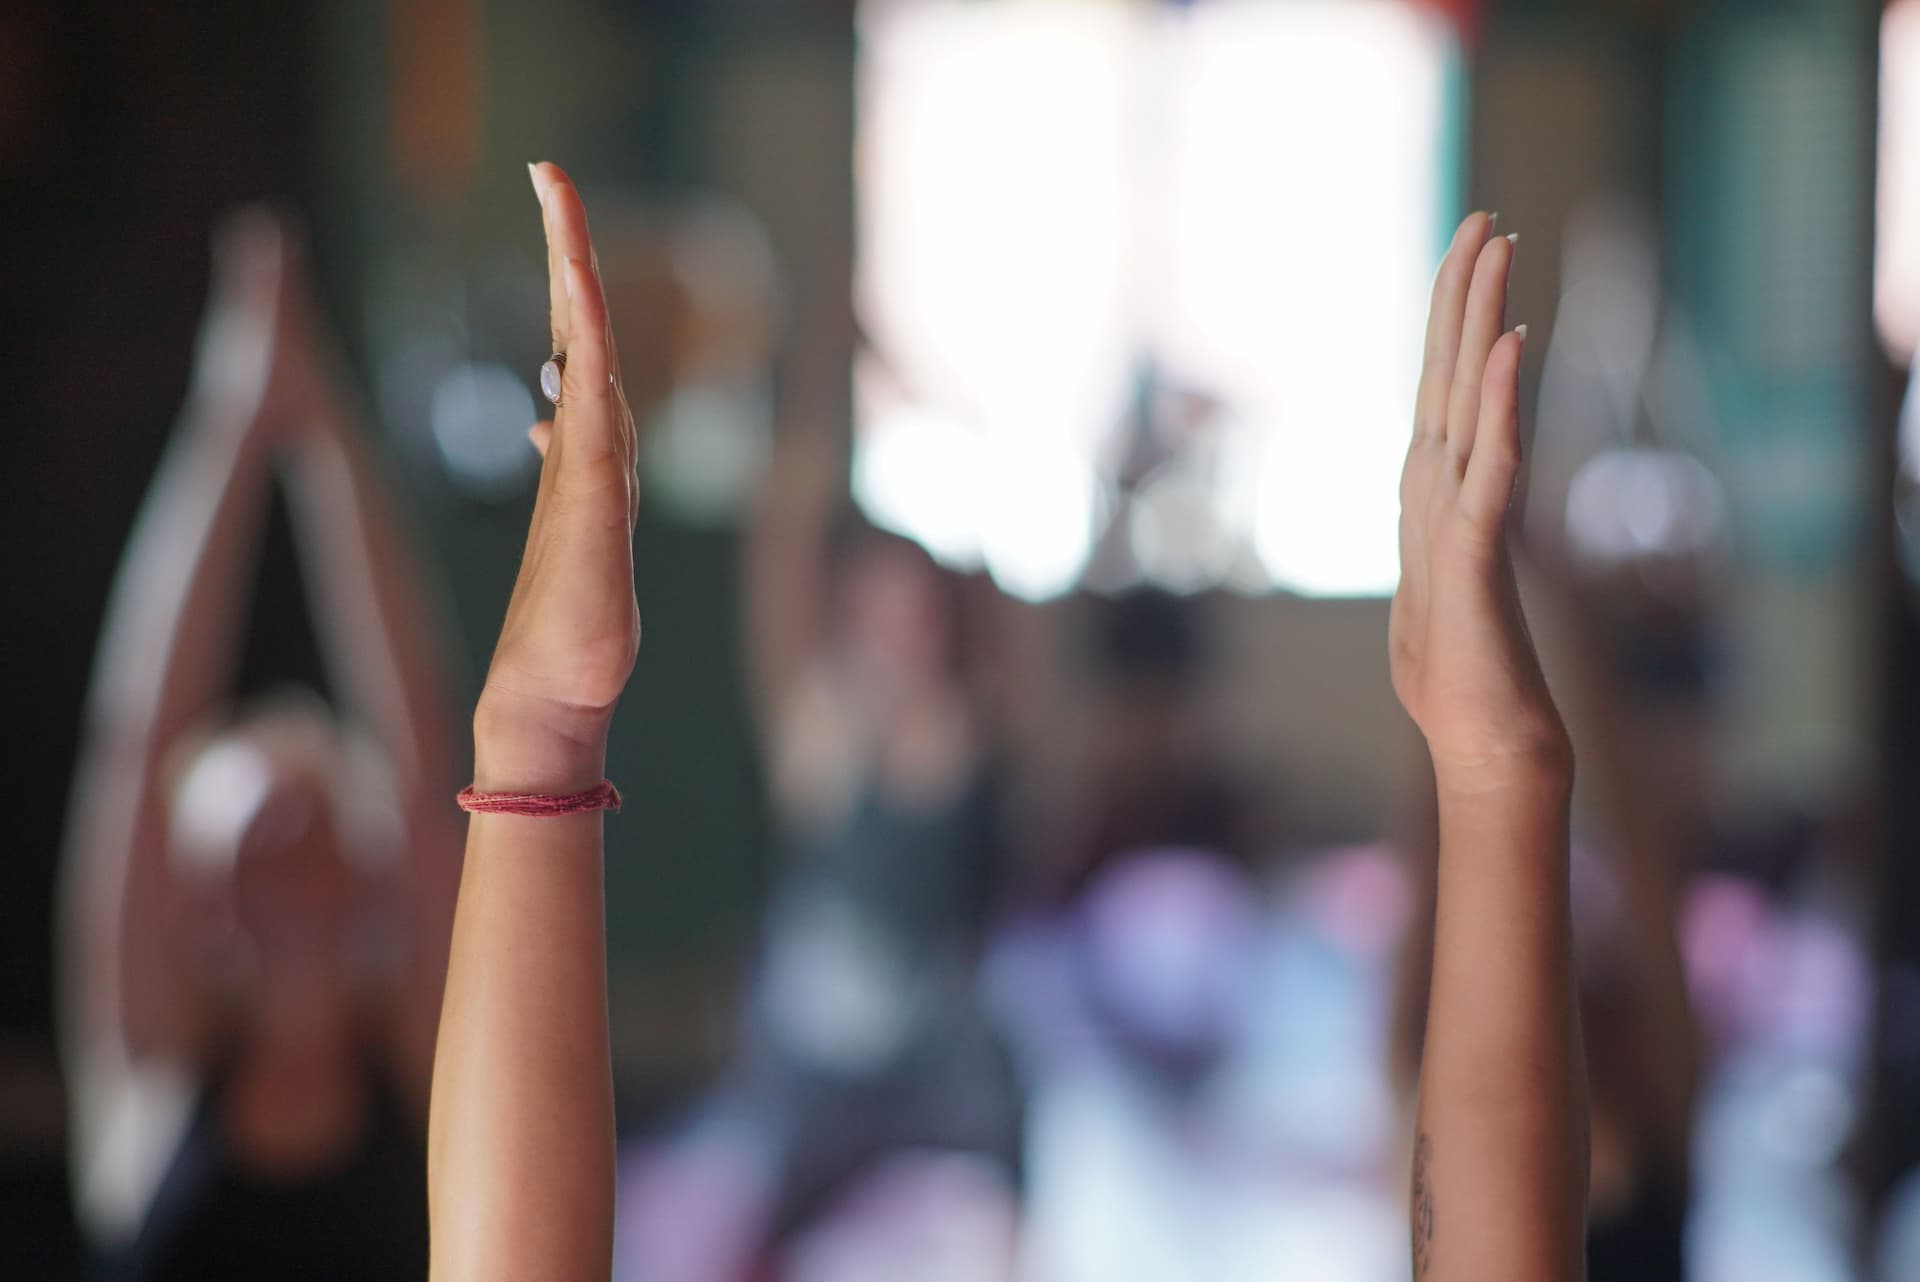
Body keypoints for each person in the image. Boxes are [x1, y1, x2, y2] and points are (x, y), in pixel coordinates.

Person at [427, 185, 1587, 1281]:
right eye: (881, 600)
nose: (905, 618)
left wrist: (965, 421)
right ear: (855, 617)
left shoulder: (989, 728)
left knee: (1013, 1175)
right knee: (728, 1211)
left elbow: (1002, 582)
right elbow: (787, 544)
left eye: (922, 597)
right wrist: (830, 365)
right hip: (816, 1052)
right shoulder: (827, 727)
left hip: (946, 1058)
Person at [58, 209, 465, 1281]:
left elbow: (424, 755)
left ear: (368, 872)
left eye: (312, 836)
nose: (286, 872)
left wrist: (326, 431)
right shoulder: (150, 1082)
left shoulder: (421, 1075)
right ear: (197, 895)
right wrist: (230, 422)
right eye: (253, 845)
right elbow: (134, 749)